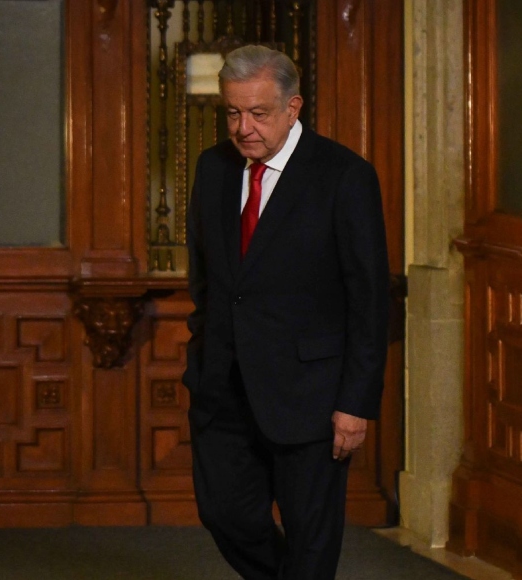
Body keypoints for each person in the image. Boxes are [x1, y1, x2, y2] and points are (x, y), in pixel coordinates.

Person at [183, 44, 389, 580]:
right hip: (224, 387)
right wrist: (201, 360)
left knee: (310, 539)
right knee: (224, 513)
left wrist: (356, 402)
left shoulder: (344, 176)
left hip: (312, 397)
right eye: (232, 112)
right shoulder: (213, 169)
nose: (243, 127)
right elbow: (207, 282)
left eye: (258, 113)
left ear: (293, 107)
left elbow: (368, 299)